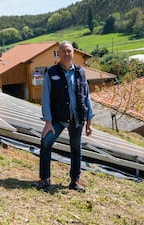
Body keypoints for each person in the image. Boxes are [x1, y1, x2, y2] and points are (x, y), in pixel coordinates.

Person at [32, 41, 94, 192]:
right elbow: (45, 97)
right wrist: (48, 121)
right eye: (64, 51)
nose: (67, 54)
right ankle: (45, 179)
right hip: (58, 119)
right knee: (46, 142)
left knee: (76, 149)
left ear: (73, 53)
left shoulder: (81, 72)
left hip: (77, 118)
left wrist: (89, 121)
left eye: (69, 51)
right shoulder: (51, 72)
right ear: (59, 54)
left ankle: (75, 181)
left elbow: (86, 96)